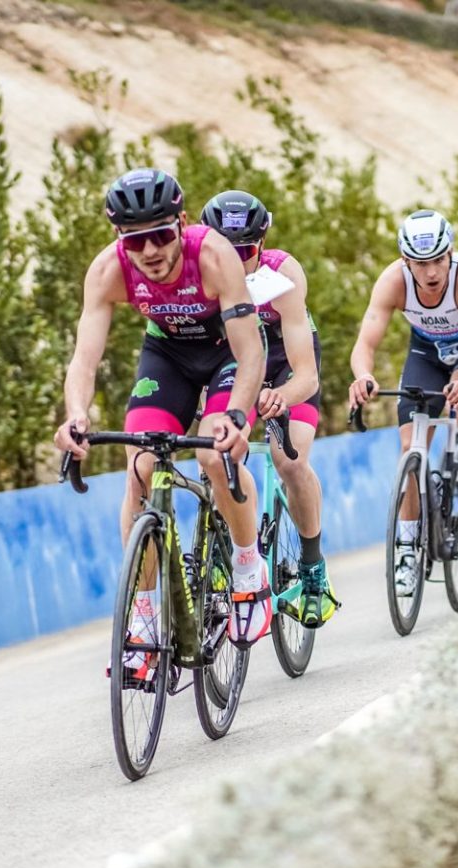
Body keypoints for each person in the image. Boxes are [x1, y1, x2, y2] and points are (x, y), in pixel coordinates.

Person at [54, 167, 271, 674]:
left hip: (226, 357)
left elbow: (252, 350)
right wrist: (76, 415)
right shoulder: (109, 270)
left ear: (181, 223)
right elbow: (84, 360)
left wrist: (237, 415)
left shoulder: (215, 255)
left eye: (159, 235)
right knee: (141, 469)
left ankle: (247, 568)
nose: (149, 251)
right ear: (118, 239)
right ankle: (145, 620)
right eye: (136, 241)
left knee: (211, 457)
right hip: (167, 357)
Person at [200, 189, 338, 628]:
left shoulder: (283, 274)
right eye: (228, 249)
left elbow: (307, 375)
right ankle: (230, 551)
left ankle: (314, 570)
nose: (239, 260)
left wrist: (283, 396)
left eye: (249, 250)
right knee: (215, 453)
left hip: (284, 364)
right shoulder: (200, 278)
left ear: (263, 243)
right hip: (234, 364)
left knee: (289, 461)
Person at [346, 209, 458, 598]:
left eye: (437, 261)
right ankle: (407, 549)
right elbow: (365, 343)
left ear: (450, 254)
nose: (431, 273)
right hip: (426, 354)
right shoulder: (392, 281)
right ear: (405, 261)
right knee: (409, 450)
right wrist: (363, 375)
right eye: (420, 263)